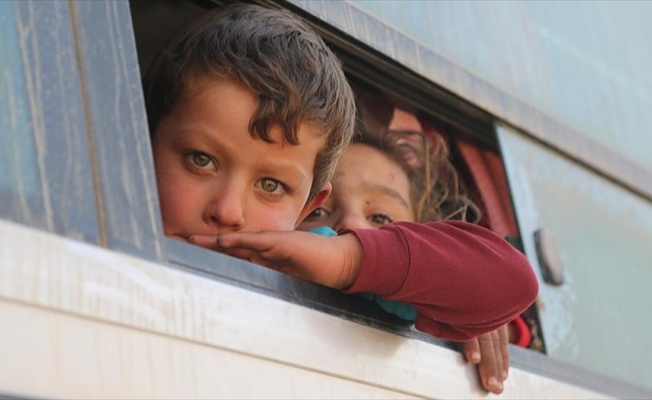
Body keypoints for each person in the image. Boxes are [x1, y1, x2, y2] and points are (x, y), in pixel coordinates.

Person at [144, 3, 537, 394]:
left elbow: (513, 280)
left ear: (308, 208)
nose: (228, 211)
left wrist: (348, 260)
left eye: (271, 186)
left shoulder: (303, 263)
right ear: (142, 143)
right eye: (201, 160)